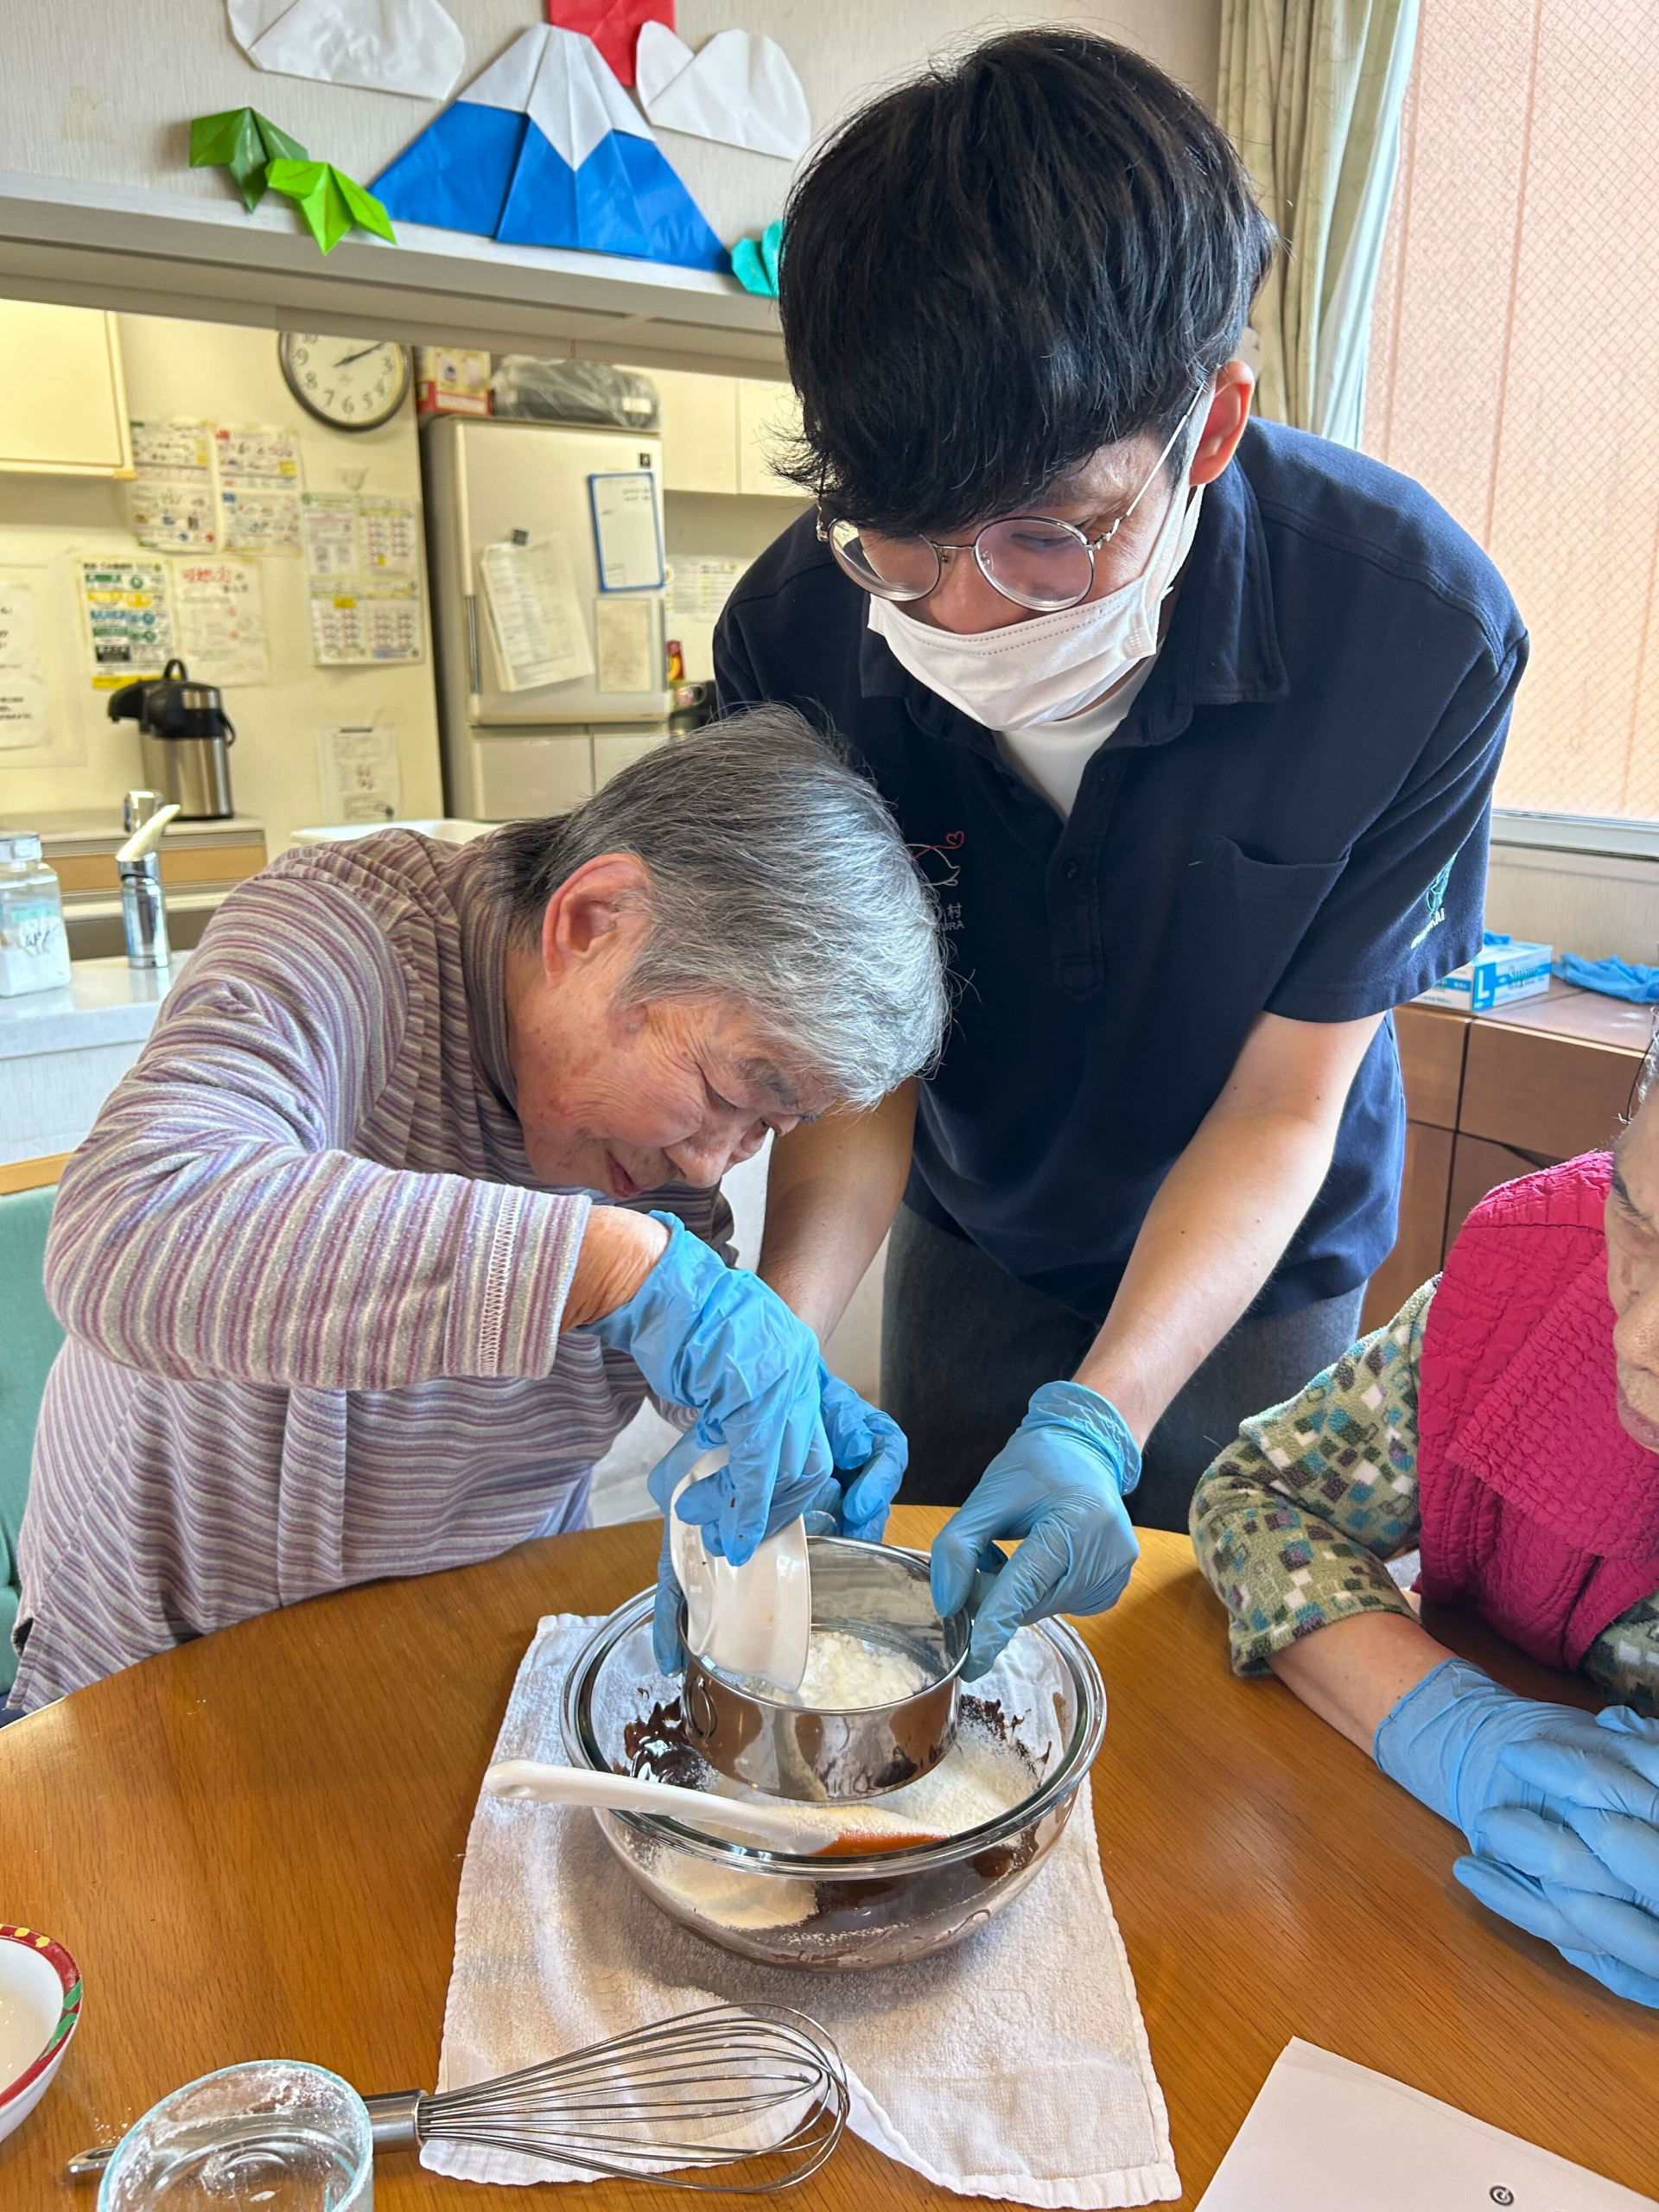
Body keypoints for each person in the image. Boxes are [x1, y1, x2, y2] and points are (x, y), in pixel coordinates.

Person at [715, 29, 1527, 1678]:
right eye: (903, 540)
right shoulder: (795, 634)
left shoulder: (1413, 634)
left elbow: (1288, 1097)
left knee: (1228, 1657)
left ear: (1210, 426)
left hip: (1261, 1257)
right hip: (978, 1225)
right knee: (942, 1638)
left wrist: (1105, 1413)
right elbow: (862, 1054)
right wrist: (780, 1344)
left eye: (1047, 535)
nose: (961, 613)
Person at [8, 713, 945, 1713]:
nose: (709, 1162)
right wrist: (614, 1268)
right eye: (723, 1090)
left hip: (467, 1647)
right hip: (156, 1660)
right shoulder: (342, 935)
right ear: (593, 922)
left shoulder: (658, 1139)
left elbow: (671, 1335)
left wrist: (773, 1407)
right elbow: (129, 1226)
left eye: (765, 1127)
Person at [1191, 1040, 1659, 2008]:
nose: (1637, 1336)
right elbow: (1256, 1499)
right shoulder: (1528, 1281)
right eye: (1638, 1220)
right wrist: (1452, 1729)